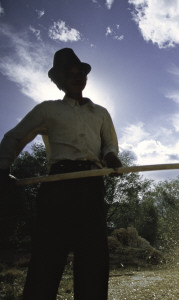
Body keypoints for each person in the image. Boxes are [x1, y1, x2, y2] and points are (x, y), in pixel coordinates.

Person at [0, 48, 122, 299]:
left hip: (91, 185)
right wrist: (2, 168)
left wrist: (111, 158)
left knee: (93, 258)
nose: (78, 78)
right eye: (70, 74)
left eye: (81, 73)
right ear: (59, 81)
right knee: (47, 257)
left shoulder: (100, 113)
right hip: (58, 187)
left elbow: (109, 143)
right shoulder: (47, 110)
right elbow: (15, 136)